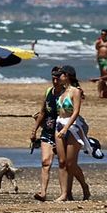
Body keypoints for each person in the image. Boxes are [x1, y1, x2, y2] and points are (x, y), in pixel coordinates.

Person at [53, 65, 91, 201]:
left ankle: (84, 187)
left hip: (73, 127)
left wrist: (66, 128)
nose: (58, 77)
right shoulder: (61, 92)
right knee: (62, 162)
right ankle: (64, 193)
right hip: (59, 124)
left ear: (67, 75)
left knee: (71, 163)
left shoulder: (75, 91)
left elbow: (76, 112)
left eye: (61, 75)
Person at [28, 67, 64, 202]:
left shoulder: (67, 93)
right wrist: (34, 130)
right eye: (53, 78)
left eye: (57, 78)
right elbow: (42, 112)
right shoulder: (49, 91)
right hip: (47, 132)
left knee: (65, 164)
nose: (55, 81)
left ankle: (76, 189)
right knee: (45, 162)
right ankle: (43, 192)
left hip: (61, 133)